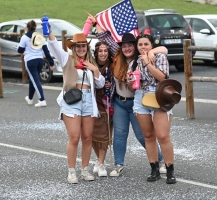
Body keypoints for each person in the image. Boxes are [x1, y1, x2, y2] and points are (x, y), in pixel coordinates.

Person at [87, 13, 167, 177]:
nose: (127, 48)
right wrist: (95, 23)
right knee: (120, 134)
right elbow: (105, 37)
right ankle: (118, 165)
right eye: (124, 46)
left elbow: (163, 49)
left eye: (131, 45)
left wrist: (152, 51)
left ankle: (160, 160)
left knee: (143, 135)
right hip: (119, 103)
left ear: (136, 46)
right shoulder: (117, 57)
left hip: (136, 102)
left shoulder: (141, 57)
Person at [48, 29, 105, 183]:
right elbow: (54, 46)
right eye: (78, 46)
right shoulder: (67, 58)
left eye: (83, 46)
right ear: (73, 48)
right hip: (72, 100)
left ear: (87, 47)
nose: (81, 49)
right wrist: (50, 32)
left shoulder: (90, 64)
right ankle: (71, 171)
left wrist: (94, 69)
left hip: (88, 101)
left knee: (87, 137)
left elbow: (100, 84)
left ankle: (85, 170)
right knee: (74, 137)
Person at [129, 34, 178, 184]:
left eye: (146, 44)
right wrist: (132, 80)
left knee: (162, 135)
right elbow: (132, 86)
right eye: (140, 45)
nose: (143, 47)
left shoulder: (160, 57)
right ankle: (154, 168)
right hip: (141, 97)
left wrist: (148, 63)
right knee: (148, 136)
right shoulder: (134, 62)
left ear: (151, 45)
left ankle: (170, 170)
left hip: (159, 95)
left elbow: (163, 77)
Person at [17, 20, 55, 107]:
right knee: (33, 79)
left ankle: (42, 99)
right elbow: (46, 51)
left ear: (27, 28)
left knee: (35, 80)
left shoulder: (25, 37)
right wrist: (51, 63)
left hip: (30, 61)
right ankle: (30, 98)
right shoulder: (40, 37)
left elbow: (20, 50)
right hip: (40, 61)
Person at [92, 41, 114, 177]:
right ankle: (98, 158)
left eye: (105, 51)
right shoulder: (91, 65)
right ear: (96, 52)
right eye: (100, 51)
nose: (103, 53)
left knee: (105, 133)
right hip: (92, 101)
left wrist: (110, 86)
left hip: (106, 103)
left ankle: (101, 163)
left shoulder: (112, 66)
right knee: (92, 134)